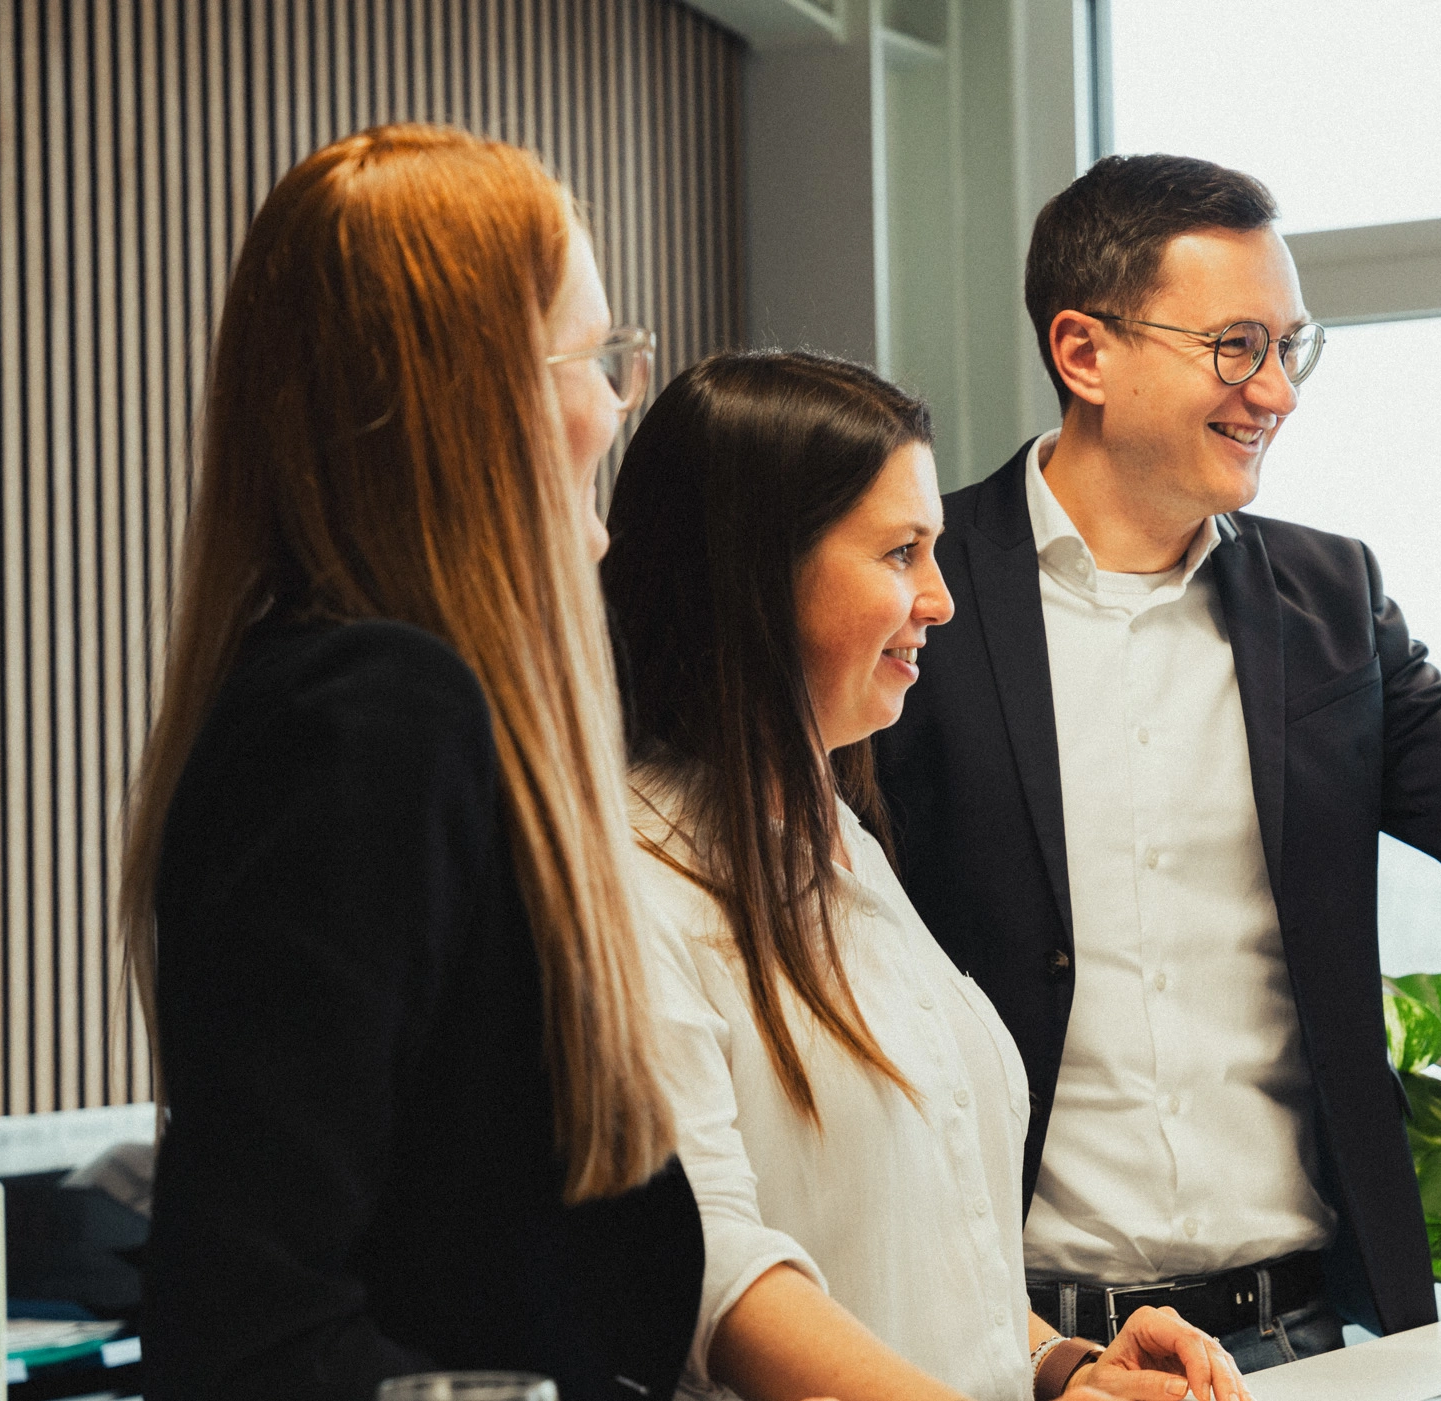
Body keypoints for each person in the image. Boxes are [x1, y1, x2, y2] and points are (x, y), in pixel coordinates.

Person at [120, 123, 697, 1401]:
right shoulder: (371, 718)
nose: (615, 403)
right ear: (465, 397)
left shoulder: (367, 703)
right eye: (590, 358)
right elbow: (252, 1340)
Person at [871, 154, 1441, 1370]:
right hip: (1017, 1347)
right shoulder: (919, 594)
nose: (1277, 395)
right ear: (1084, 353)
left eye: (1290, 348)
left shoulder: (1331, 598)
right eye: (1236, 347)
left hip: (1306, 1336)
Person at [601, 351, 1250, 1401]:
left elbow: (930, 1233)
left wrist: (1056, 1367)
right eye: (900, 553)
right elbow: (716, 1275)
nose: (940, 600)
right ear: (755, 575)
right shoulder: (632, 877)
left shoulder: (843, 841)